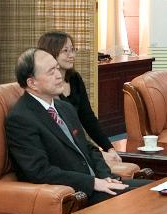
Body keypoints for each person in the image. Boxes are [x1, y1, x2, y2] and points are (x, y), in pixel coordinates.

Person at [6, 48, 148, 206]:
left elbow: (89, 148)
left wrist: (104, 175)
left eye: (57, 68)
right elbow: (39, 171)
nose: (59, 75)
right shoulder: (21, 119)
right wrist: (93, 182)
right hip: (78, 192)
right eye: (51, 71)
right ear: (32, 83)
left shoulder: (64, 107)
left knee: (154, 190)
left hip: (100, 183)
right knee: (144, 201)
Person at [37, 30, 121, 170]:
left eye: (73, 50)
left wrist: (109, 148)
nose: (72, 55)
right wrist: (98, 155)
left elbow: (87, 117)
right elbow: (63, 133)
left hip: (80, 145)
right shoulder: (47, 87)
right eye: (65, 51)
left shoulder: (74, 79)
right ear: (50, 53)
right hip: (66, 154)